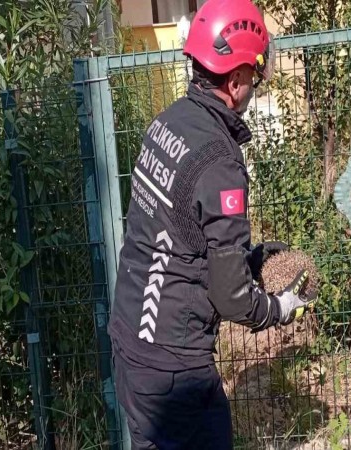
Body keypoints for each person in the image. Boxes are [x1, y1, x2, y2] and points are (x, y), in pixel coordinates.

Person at [107, 0, 316, 448]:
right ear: (236, 79)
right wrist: (279, 308)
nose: (254, 87)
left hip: (129, 342)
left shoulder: (166, 123)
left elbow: (178, 234)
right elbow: (231, 298)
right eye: (254, 77)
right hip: (174, 369)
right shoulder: (220, 160)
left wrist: (247, 258)